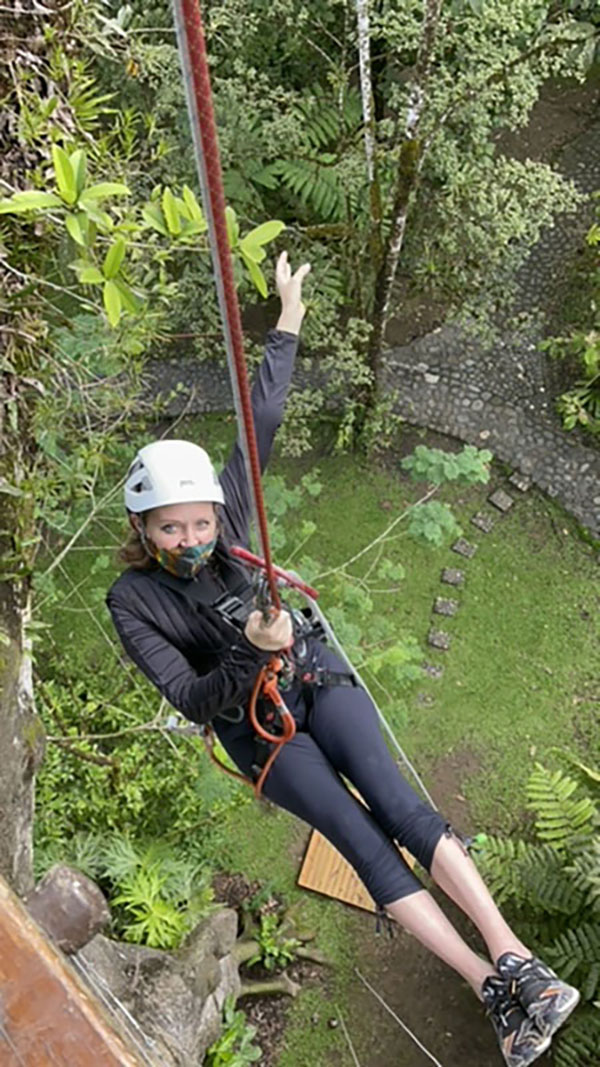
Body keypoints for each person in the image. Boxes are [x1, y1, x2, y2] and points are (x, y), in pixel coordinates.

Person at [107, 252, 579, 1067]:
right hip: (260, 736)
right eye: (169, 528)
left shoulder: (239, 521)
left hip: (315, 681)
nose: (190, 540)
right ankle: (488, 988)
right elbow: (189, 696)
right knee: (361, 845)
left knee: (401, 805)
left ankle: (516, 959)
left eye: (199, 523)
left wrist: (287, 317)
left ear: (217, 514)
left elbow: (263, 416)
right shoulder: (133, 599)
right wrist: (250, 657)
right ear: (143, 529)